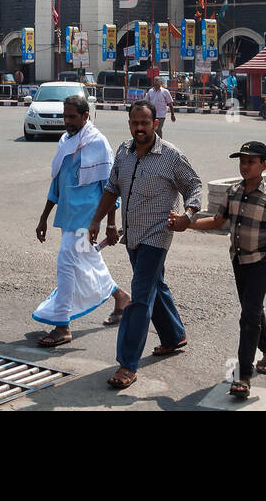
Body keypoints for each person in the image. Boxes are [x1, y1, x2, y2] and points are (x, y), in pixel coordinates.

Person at [87, 100, 203, 390]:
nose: (140, 128)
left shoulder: (171, 156)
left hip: (158, 234)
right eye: (135, 123)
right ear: (130, 124)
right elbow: (112, 188)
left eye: (145, 123)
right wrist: (98, 221)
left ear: (155, 124)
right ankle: (174, 335)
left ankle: (127, 363)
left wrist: (187, 216)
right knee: (153, 284)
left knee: (139, 296)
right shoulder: (123, 152)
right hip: (133, 235)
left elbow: (195, 186)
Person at [169, 140, 266, 398]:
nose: (245, 166)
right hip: (239, 260)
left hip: (262, 262)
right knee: (251, 310)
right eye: (242, 161)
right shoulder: (233, 192)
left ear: (264, 165)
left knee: (248, 316)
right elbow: (217, 221)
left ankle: (243, 376)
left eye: (251, 162)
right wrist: (186, 223)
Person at [32, 94, 131, 345]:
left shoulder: (98, 143)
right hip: (68, 217)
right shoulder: (66, 141)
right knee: (88, 264)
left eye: (72, 117)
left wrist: (109, 223)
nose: (67, 121)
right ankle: (121, 297)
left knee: (66, 265)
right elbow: (58, 183)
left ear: (86, 116)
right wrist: (44, 217)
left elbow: (111, 188)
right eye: (65, 116)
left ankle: (62, 325)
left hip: (88, 221)